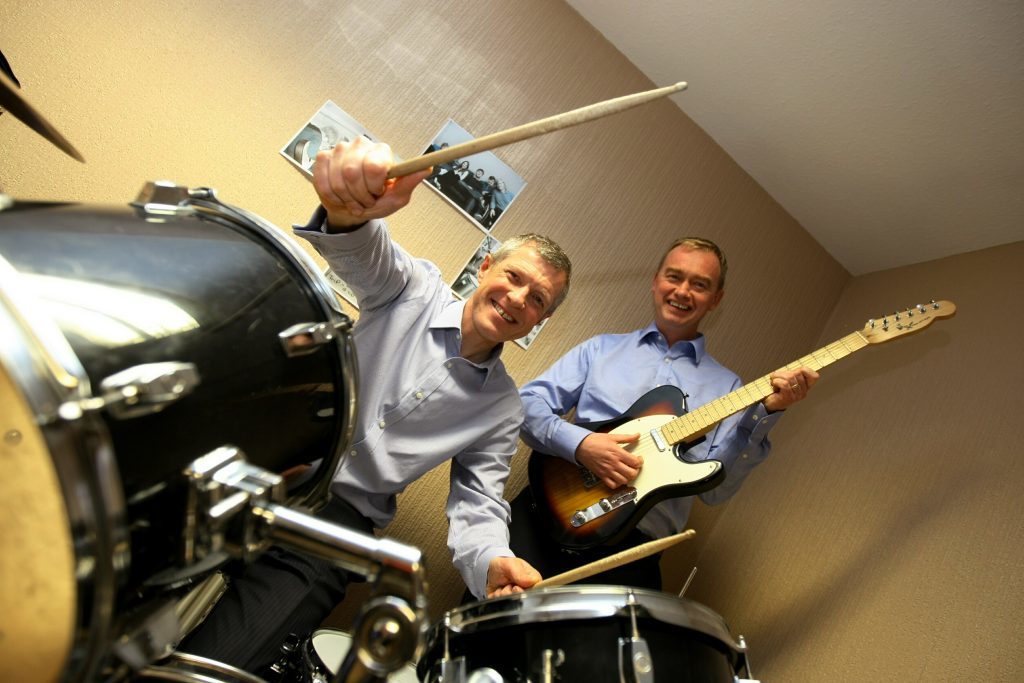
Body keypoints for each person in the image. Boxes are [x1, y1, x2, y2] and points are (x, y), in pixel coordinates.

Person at [178, 136, 570, 675]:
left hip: (334, 531)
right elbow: (365, 253)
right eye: (514, 277)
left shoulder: (503, 408)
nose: (519, 299)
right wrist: (348, 213)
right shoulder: (414, 288)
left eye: (538, 300)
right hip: (262, 466)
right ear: (484, 269)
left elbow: (478, 505)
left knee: (217, 670)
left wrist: (494, 560)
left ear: (539, 323)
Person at [507, 236, 819, 590]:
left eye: (700, 285)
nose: (683, 291)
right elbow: (528, 405)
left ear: (716, 299)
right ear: (656, 280)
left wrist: (765, 414)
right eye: (674, 277)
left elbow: (716, 492)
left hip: (629, 556)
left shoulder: (730, 388)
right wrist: (584, 445)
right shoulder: (600, 348)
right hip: (541, 518)